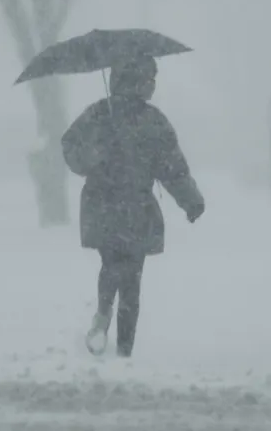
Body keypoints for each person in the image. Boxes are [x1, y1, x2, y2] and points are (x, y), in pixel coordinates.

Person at [61, 54, 204, 358]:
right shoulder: (152, 121)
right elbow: (172, 168)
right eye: (149, 80)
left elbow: (71, 145)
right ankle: (124, 346)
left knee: (112, 265)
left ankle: (103, 316)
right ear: (139, 83)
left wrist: (92, 157)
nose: (152, 85)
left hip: (103, 207)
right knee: (131, 279)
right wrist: (190, 200)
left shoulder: (99, 113)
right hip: (135, 208)